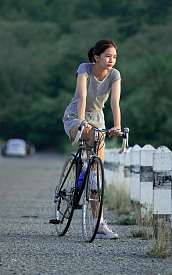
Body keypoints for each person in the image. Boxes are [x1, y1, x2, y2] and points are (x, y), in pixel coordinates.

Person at [62, 39, 121, 239]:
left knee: (97, 175)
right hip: (75, 116)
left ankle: (99, 223)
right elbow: (82, 96)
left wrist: (117, 126)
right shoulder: (84, 69)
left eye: (114, 56)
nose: (111, 60)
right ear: (96, 57)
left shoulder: (114, 75)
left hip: (98, 120)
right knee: (94, 139)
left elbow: (114, 103)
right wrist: (81, 121)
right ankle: (88, 177)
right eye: (107, 56)